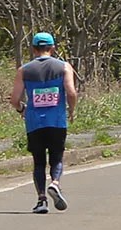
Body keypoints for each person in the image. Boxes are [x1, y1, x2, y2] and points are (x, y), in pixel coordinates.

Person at [16, 31, 76, 214]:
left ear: (33, 49)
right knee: (57, 157)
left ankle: (41, 199)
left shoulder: (24, 70)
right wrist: (71, 110)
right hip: (57, 121)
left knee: (39, 161)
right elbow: (71, 92)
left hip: (34, 122)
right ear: (52, 48)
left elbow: (14, 99)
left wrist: (22, 110)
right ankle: (55, 183)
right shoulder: (64, 67)